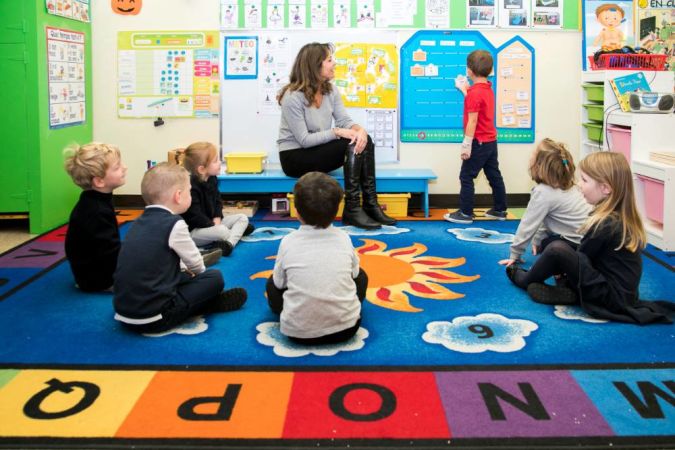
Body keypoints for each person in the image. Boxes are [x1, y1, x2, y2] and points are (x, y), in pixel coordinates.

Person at [506, 152, 674, 324]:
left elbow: (583, 259)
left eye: (584, 180)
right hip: (617, 290)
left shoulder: (605, 223)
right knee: (555, 245)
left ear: (605, 188)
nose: (579, 185)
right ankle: (569, 292)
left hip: (611, 297)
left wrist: (561, 265)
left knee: (557, 249)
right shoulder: (614, 216)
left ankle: (526, 280)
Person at [113, 163, 247, 334]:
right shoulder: (175, 224)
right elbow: (198, 266)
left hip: (123, 311)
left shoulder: (136, 223)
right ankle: (206, 303)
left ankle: (197, 300)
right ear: (178, 196)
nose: (191, 195)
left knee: (180, 274)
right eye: (189, 191)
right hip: (156, 317)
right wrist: (192, 276)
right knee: (214, 277)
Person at [277, 42, 395, 230]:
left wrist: (359, 130)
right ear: (315, 65)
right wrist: (337, 132)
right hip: (295, 157)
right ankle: (352, 208)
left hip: (316, 152)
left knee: (365, 139)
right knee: (348, 142)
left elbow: (344, 120)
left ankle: (370, 204)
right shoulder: (292, 96)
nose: (335, 64)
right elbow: (304, 140)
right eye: (329, 60)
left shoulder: (330, 90)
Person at [266, 172, 368, 344]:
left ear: (296, 212)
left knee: (271, 283)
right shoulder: (343, 237)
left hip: (298, 334)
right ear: (337, 210)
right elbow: (355, 273)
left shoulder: (288, 241)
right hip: (347, 329)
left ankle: (301, 313)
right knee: (361, 276)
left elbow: (279, 284)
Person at [498, 139, 591, 267]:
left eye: (533, 155)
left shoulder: (543, 192)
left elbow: (528, 224)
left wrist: (515, 254)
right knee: (545, 243)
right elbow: (546, 218)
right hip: (590, 244)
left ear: (539, 165)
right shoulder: (570, 185)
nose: (530, 157)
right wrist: (537, 239)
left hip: (577, 245)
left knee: (549, 246)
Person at [445, 50, 507, 224]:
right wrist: (465, 91)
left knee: (466, 176)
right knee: (494, 175)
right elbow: (476, 104)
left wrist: (466, 144)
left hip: (477, 142)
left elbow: (472, 121)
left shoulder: (474, 93)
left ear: (469, 70)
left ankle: (465, 213)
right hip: (490, 141)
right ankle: (500, 209)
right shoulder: (486, 88)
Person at [64, 142, 126, 292]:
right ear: (99, 181)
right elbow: (110, 254)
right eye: (117, 167)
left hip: (92, 275)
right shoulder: (95, 210)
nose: (124, 168)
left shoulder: (95, 201)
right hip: (99, 280)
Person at [181, 142, 253, 256]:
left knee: (243, 218)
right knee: (222, 231)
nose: (220, 163)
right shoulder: (191, 187)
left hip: (213, 223)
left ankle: (229, 244)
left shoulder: (212, 178)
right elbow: (195, 216)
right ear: (202, 169)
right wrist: (213, 225)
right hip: (196, 231)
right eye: (215, 161)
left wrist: (217, 217)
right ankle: (235, 233)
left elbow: (217, 201)